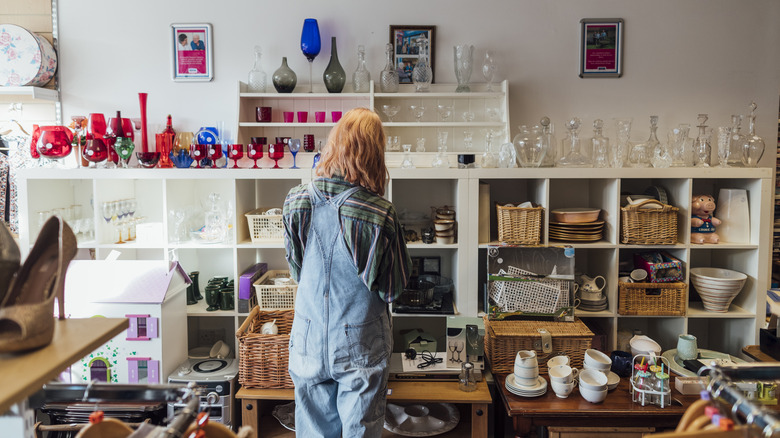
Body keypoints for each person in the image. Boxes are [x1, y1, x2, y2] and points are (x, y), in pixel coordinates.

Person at [283, 107, 411, 437]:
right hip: (361, 341)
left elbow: (298, 271)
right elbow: (393, 290)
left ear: (334, 144)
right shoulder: (380, 212)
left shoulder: (295, 202)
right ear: (375, 154)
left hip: (308, 336)